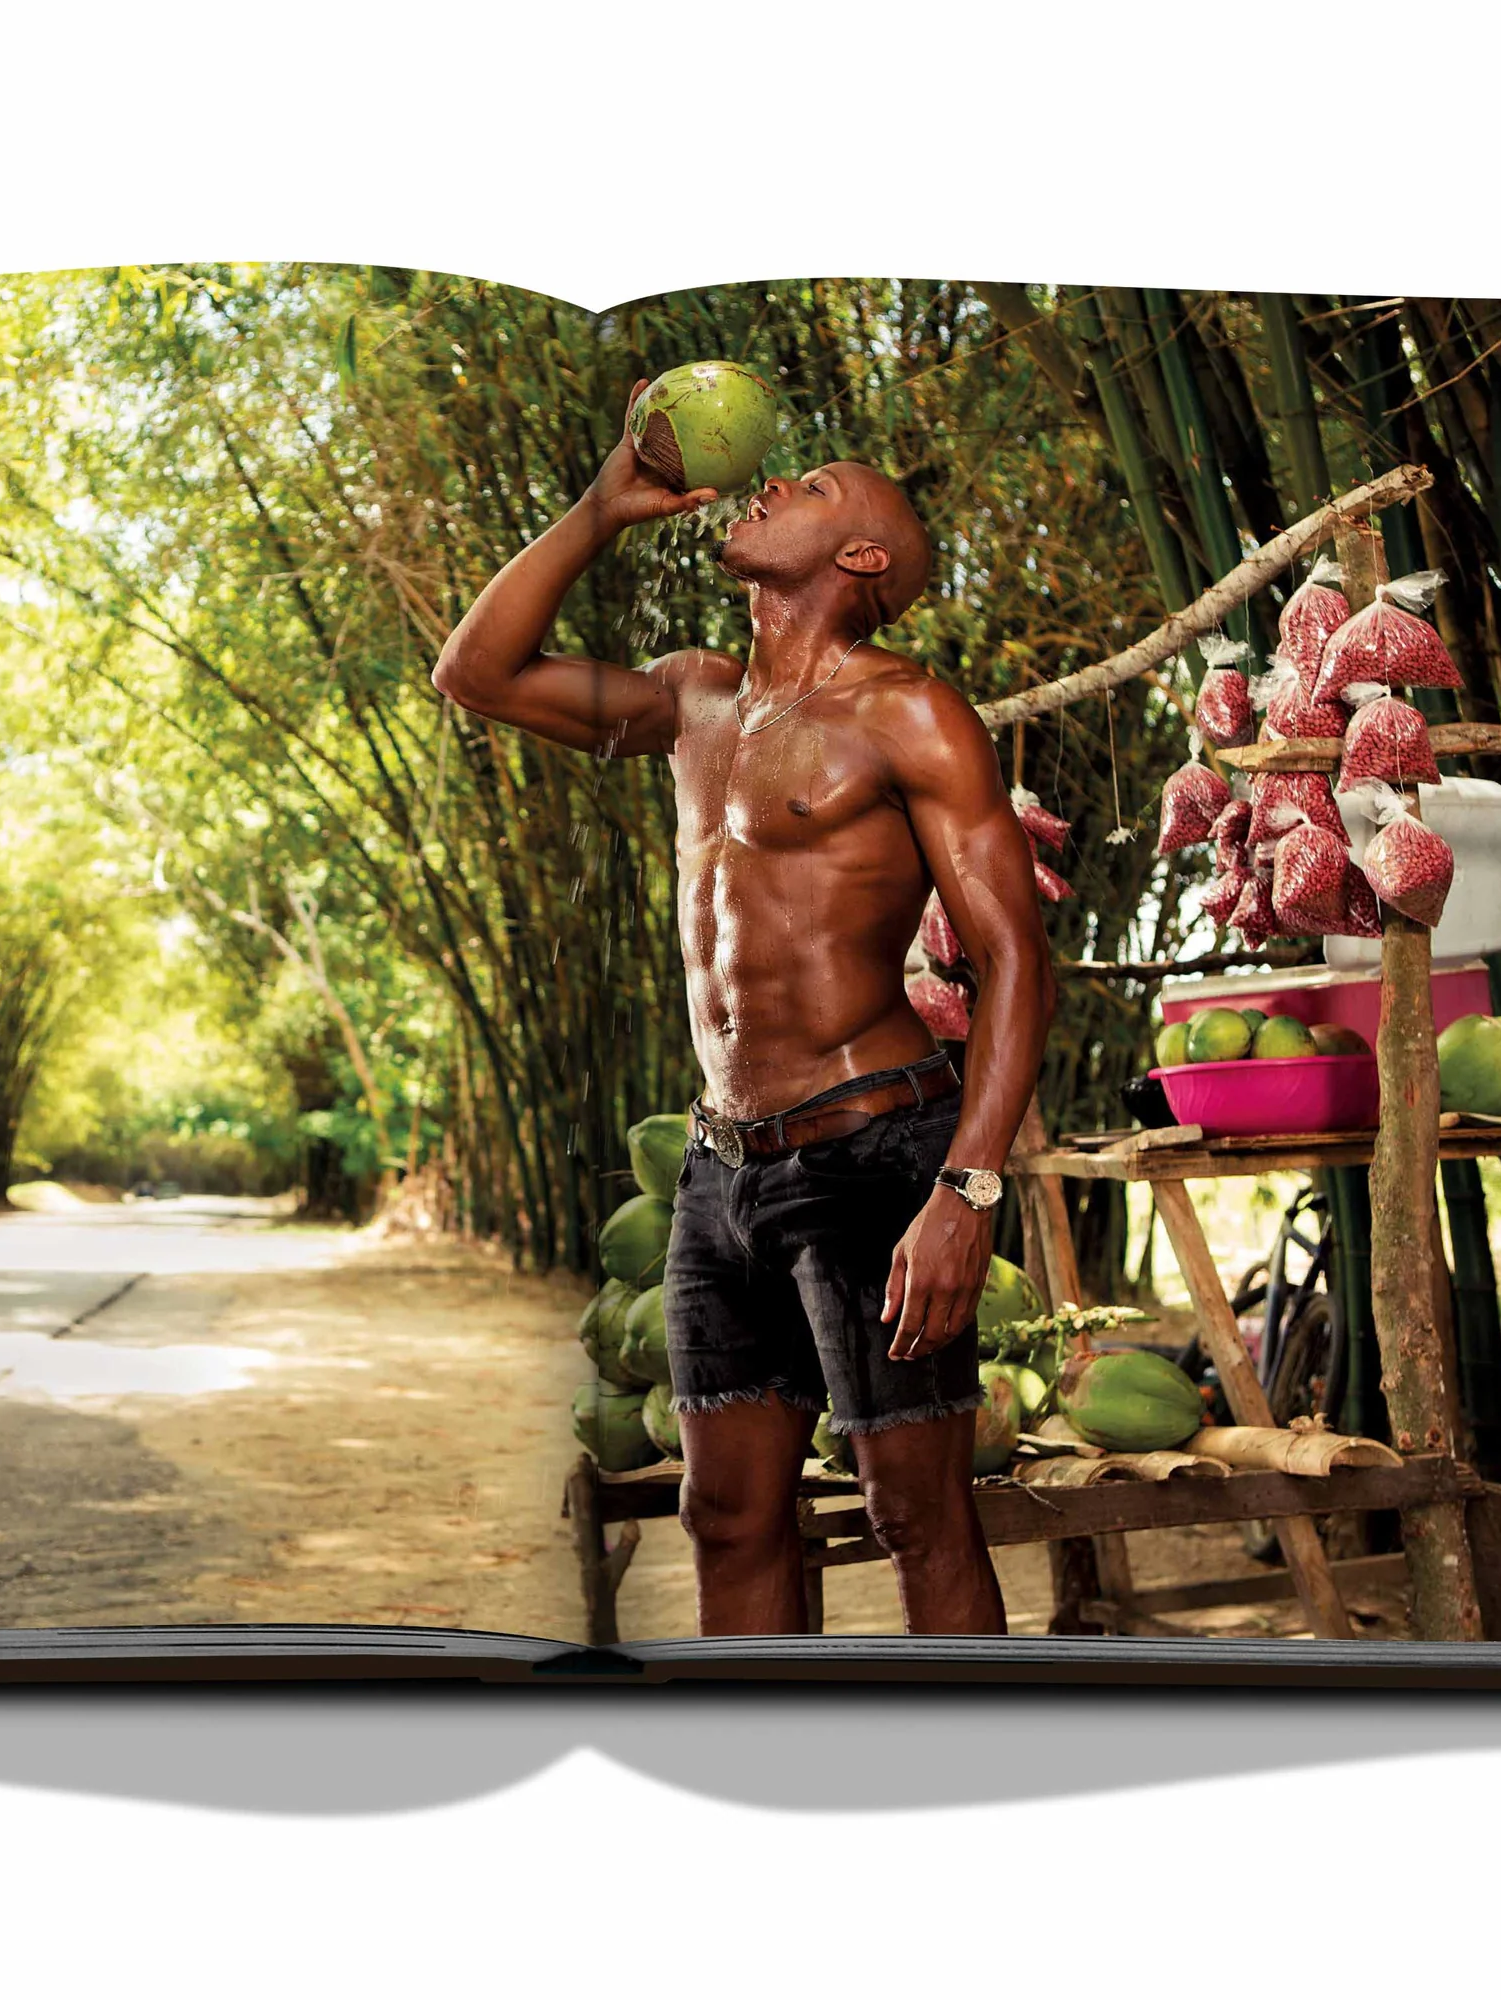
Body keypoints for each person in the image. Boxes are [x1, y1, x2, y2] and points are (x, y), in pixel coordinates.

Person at [432, 383, 1055, 1635]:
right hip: (722, 1170)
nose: (770, 484)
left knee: (915, 1516)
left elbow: (1013, 957)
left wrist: (969, 1189)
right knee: (726, 1517)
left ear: (860, 557)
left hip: (875, 1152)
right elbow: (475, 671)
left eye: (811, 488)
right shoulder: (693, 701)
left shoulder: (907, 711)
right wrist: (603, 507)